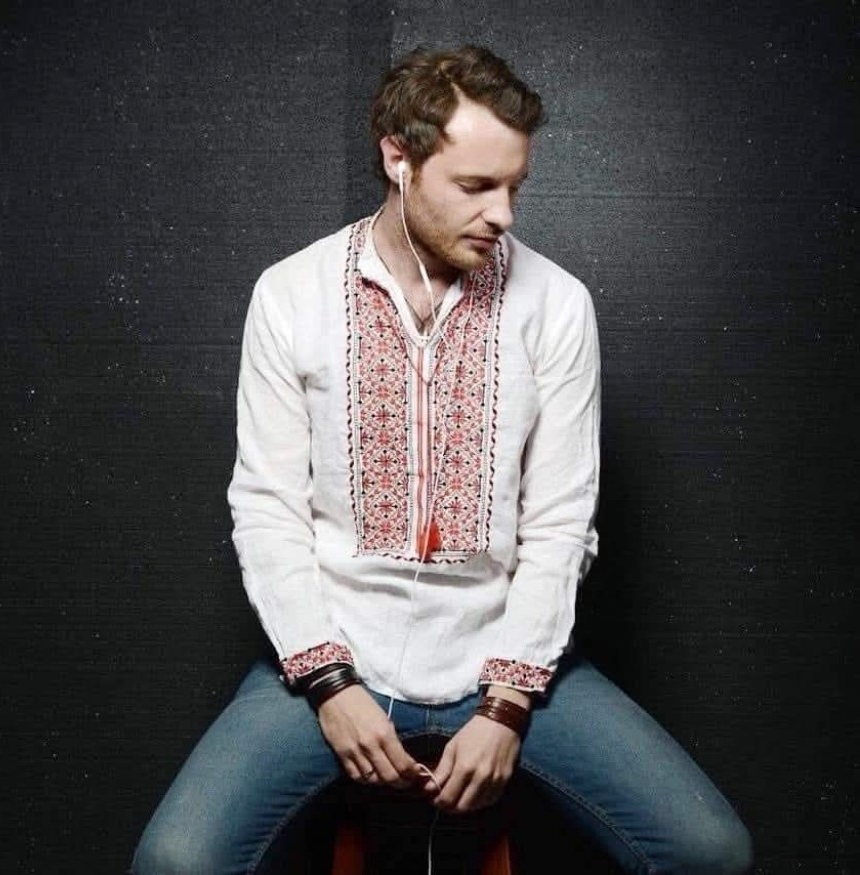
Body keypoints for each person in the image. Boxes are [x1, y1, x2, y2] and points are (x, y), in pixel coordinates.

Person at [132, 45, 754, 874]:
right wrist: (330, 687)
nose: (502, 214)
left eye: (514, 187)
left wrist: (506, 705)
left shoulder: (556, 305)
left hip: (504, 660)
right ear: (399, 158)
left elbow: (560, 523)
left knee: (709, 851)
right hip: (334, 657)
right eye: (475, 186)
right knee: (176, 862)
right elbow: (267, 510)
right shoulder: (290, 294)